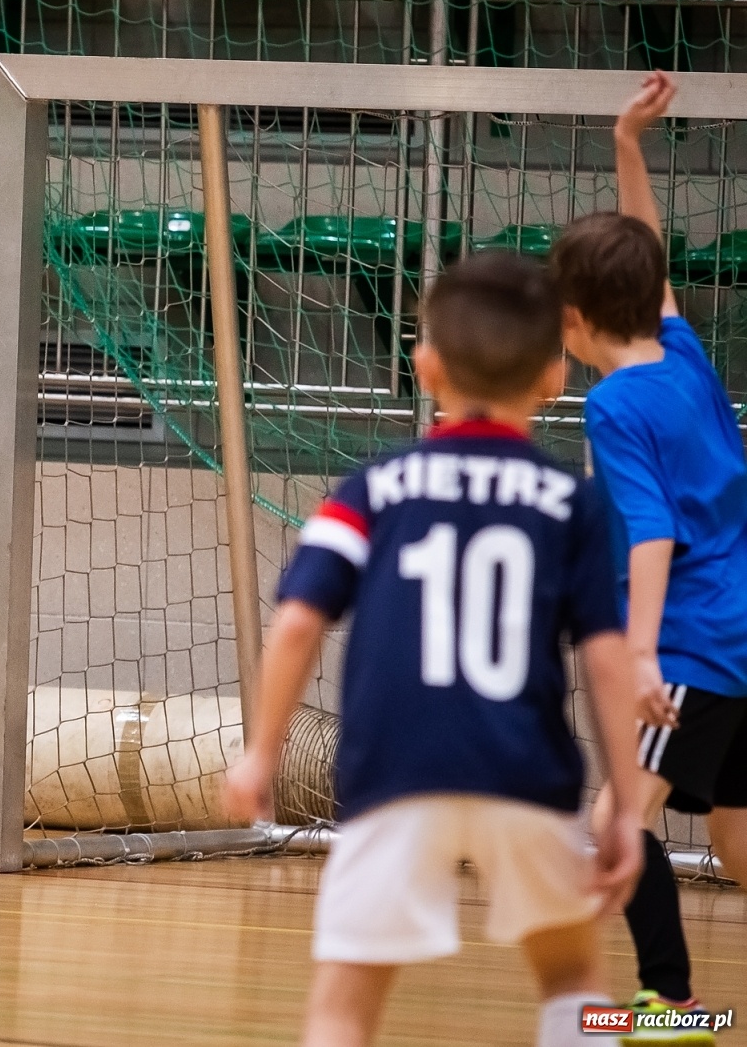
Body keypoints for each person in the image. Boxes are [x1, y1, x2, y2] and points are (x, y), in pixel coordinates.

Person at [225, 251, 645, 1047]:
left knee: (345, 1002)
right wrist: (624, 797)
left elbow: (297, 622)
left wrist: (260, 753)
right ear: (556, 374)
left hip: (393, 775)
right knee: (573, 981)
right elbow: (606, 656)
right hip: (527, 773)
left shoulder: (372, 488)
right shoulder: (573, 504)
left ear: (424, 365)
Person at [553, 70, 747, 1029]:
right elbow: (652, 260)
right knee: (739, 832)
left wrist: (636, 658)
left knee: (616, 822)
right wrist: (629, 145)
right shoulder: (682, 353)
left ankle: (673, 1003)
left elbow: (655, 533)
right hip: (746, 631)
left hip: (699, 645)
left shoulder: (615, 402)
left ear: (576, 322)